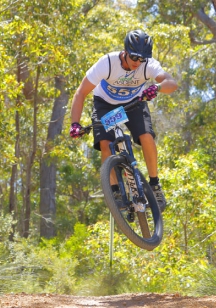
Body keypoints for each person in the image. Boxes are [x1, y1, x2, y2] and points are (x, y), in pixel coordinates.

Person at [69, 29, 178, 212]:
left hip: (134, 104)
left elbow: (172, 83)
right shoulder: (107, 63)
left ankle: (154, 185)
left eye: (142, 59)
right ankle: (115, 191)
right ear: (125, 51)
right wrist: (75, 123)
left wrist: (157, 87)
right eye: (134, 57)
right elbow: (81, 92)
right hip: (106, 105)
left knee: (146, 137)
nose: (138, 62)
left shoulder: (147, 65)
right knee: (106, 144)